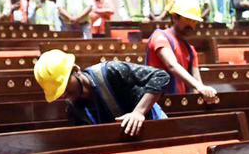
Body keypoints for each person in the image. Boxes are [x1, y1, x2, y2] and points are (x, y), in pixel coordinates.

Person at [34, 49, 169, 135]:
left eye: (64, 87)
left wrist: (138, 112)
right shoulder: (74, 109)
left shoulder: (110, 71)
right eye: (59, 92)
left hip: (153, 127)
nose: (63, 95)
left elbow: (160, 77)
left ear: (76, 71)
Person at [145, 0, 218, 99]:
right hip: (158, 104)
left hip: (180, 104)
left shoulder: (191, 50)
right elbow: (172, 65)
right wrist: (198, 86)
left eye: (194, 21)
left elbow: (198, 82)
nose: (191, 25)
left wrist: (204, 93)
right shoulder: (160, 36)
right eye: (187, 20)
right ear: (175, 17)